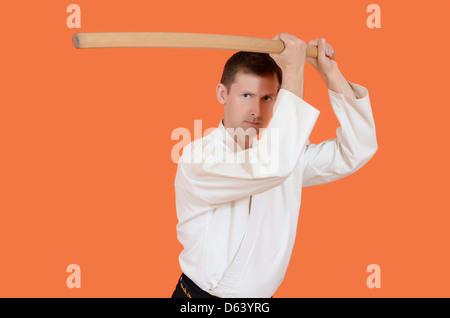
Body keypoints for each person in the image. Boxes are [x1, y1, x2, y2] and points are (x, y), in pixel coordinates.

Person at [171, 33, 378, 298]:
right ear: (223, 94)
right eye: (246, 95)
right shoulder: (197, 158)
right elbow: (267, 168)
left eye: (267, 98)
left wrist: (331, 74)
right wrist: (293, 72)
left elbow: (358, 148)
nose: (256, 109)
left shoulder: (284, 156)